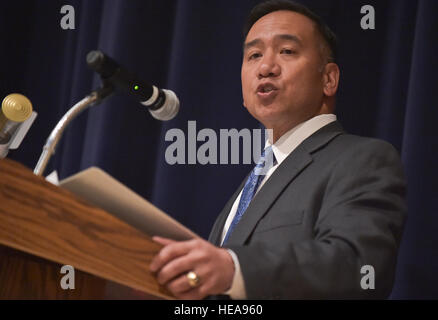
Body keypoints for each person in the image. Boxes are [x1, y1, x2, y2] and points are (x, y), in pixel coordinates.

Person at [149, 0, 406, 299]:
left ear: (329, 78)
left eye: (286, 51)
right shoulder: (253, 183)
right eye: (254, 55)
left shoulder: (362, 159)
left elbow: (358, 268)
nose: (266, 67)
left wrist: (234, 268)